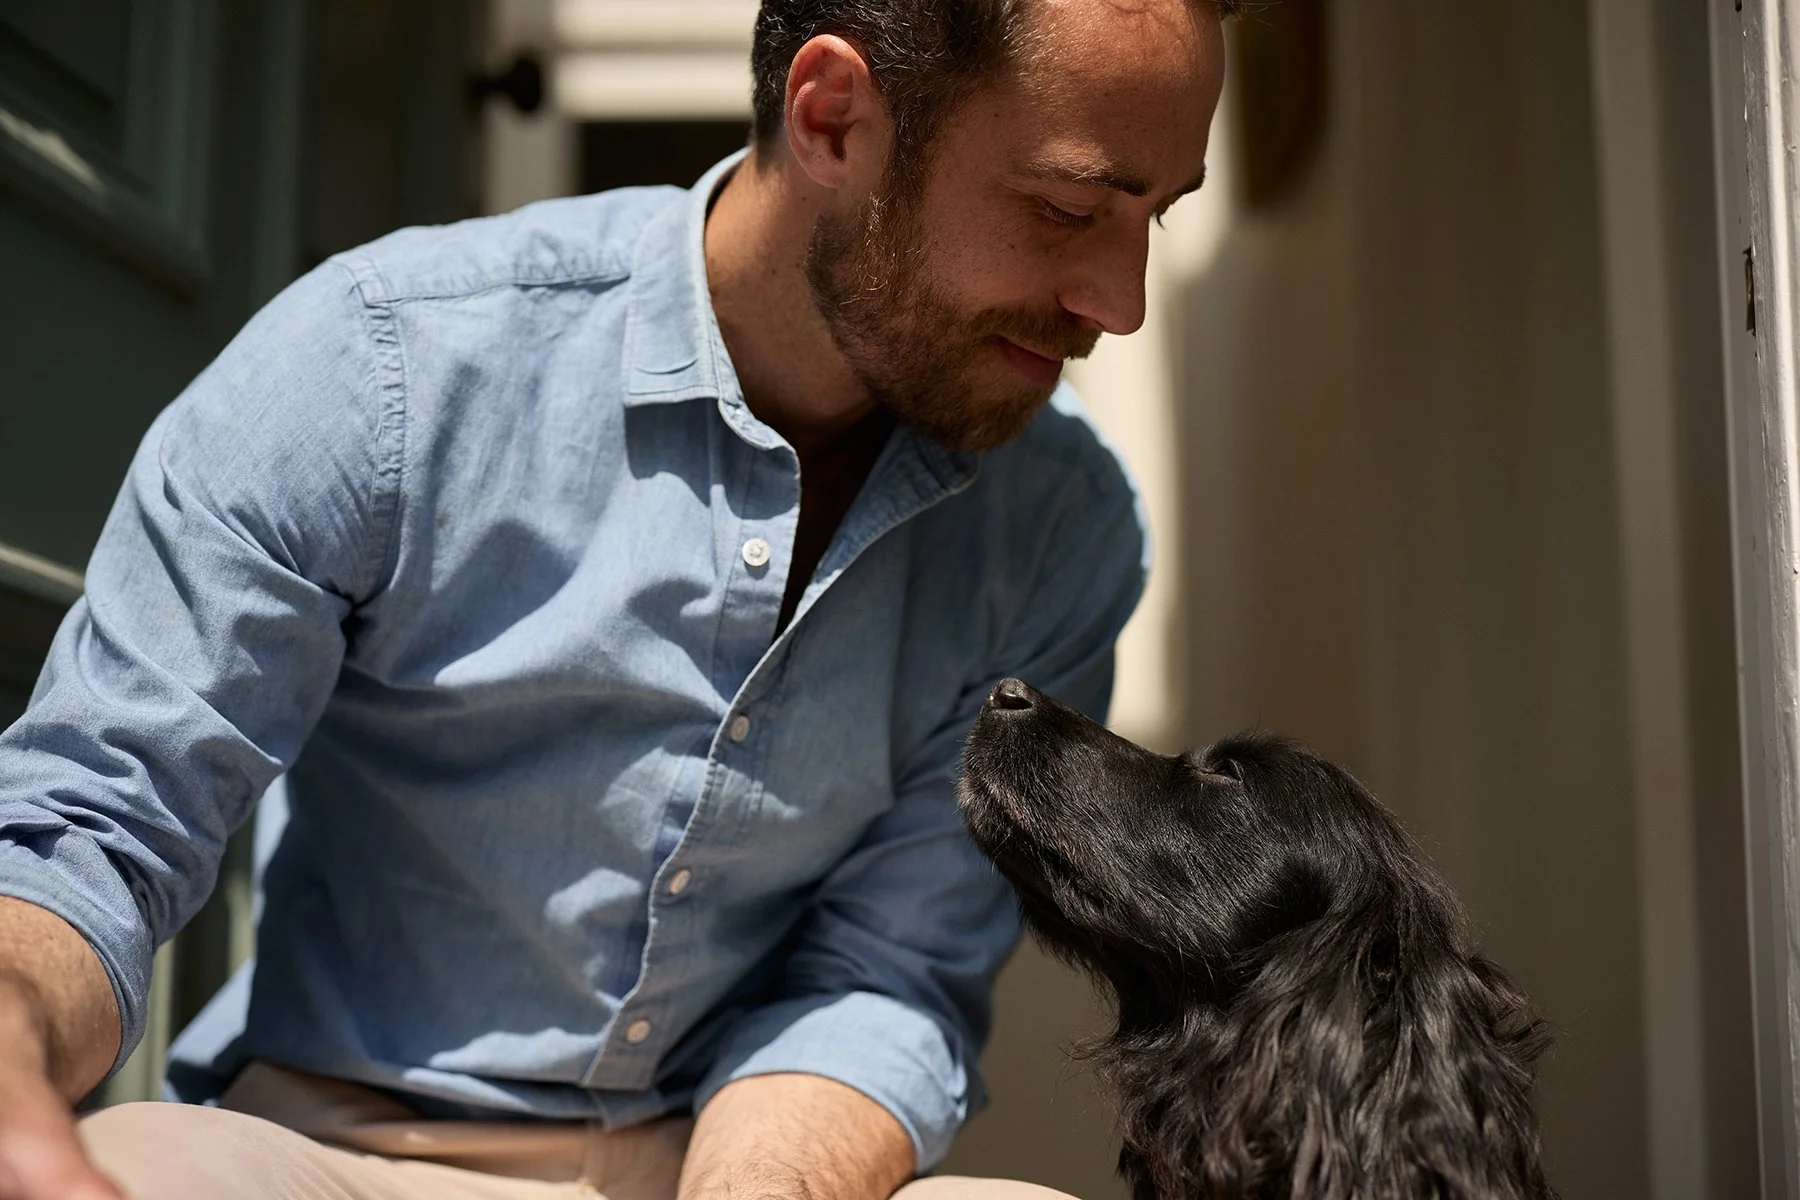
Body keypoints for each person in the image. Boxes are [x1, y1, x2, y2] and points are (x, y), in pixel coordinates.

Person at [0, 0, 1228, 1196]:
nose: (1116, 303)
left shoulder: (1064, 533)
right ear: (836, 118)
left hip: (728, 1158)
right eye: (1069, 208)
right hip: (332, 1149)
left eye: (1156, 220)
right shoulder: (381, 372)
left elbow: (885, 976)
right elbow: (99, 825)